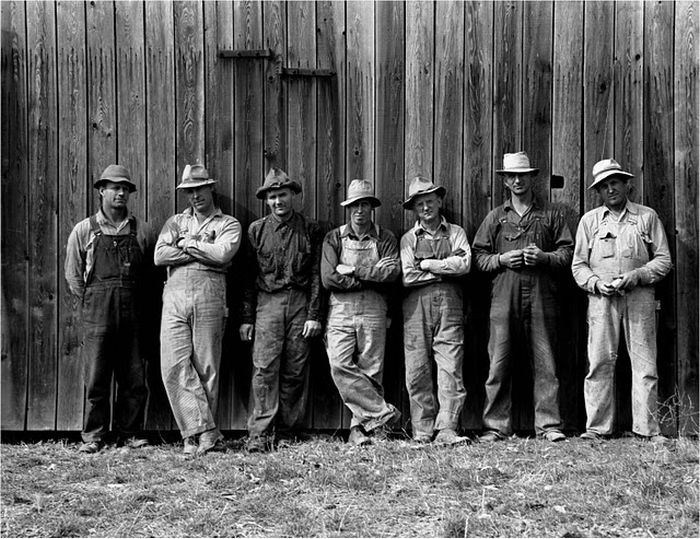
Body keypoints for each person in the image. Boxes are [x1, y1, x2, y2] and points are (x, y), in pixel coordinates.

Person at [473, 151, 572, 443]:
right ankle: (495, 426)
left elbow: (568, 254)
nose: (518, 181)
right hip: (504, 297)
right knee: (498, 363)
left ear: (532, 178)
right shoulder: (495, 217)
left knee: (546, 362)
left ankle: (549, 425)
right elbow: (478, 257)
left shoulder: (552, 214)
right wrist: (502, 260)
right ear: (505, 181)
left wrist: (544, 257)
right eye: (512, 176)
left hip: (543, 297)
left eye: (523, 176)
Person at [572, 158, 672, 443]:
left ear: (627, 184)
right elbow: (578, 265)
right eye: (604, 186)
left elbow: (664, 260)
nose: (610, 189)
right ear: (598, 192)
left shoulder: (646, 217)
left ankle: (647, 429)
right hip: (601, 301)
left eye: (614, 182)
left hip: (640, 298)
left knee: (644, 364)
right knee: (599, 363)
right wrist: (596, 284)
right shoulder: (590, 221)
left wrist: (638, 275)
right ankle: (597, 428)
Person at [65, 164, 154, 453]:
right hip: (97, 314)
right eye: (115, 187)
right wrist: (91, 304)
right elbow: (73, 276)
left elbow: (152, 277)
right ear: (101, 190)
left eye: (125, 188)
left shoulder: (141, 230)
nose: (120, 193)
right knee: (96, 377)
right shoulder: (84, 230)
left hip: (134, 313)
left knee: (134, 377)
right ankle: (93, 436)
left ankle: (129, 433)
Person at [155, 164, 241, 456]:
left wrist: (186, 243)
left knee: (207, 366)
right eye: (189, 192)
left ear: (210, 188)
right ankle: (203, 429)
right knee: (173, 363)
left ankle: (195, 439)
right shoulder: (175, 220)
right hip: (175, 294)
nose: (194, 196)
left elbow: (224, 254)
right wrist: (203, 250)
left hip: (210, 294)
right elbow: (159, 255)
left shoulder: (228, 223)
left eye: (199, 190)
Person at [240, 167, 324, 452]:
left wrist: (314, 315)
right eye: (273, 196)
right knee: (264, 368)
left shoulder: (310, 229)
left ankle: (288, 431)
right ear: (267, 200)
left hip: (300, 303)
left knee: (295, 369)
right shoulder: (256, 230)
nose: (279, 201)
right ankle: (260, 434)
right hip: (268, 304)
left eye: (283, 195)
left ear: (293, 195)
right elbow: (248, 278)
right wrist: (246, 318)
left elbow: (316, 276)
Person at [321, 179, 401, 446]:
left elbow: (391, 273)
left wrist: (354, 270)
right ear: (348, 208)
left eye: (364, 204)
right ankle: (382, 413)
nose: (359, 210)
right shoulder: (334, 237)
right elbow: (329, 279)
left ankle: (359, 431)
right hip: (340, 310)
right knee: (339, 363)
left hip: (374, 309)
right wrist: (372, 273)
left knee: (371, 369)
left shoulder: (386, 237)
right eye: (355, 205)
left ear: (371, 208)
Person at [400, 176, 472, 445]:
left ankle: (447, 429)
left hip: (450, 305)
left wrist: (429, 265)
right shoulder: (408, 239)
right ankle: (422, 430)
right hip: (416, 306)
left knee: (451, 366)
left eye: (430, 201)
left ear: (439, 201)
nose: (426, 207)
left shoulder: (456, 232)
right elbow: (407, 276)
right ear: (414, 209)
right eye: (420, 204)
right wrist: (445, 269)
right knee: (417, 368)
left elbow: (464, 264)